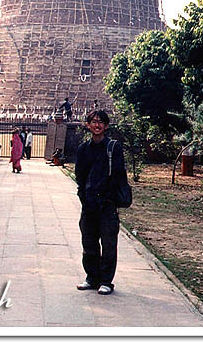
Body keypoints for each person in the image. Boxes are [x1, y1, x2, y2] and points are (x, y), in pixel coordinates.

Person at [75, 110, 125, 296]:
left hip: (107, 204)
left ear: (106, 126)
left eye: (100, 122)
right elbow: (79, 175)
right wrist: (84, 196)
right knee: (89, 243)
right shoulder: (83, 149)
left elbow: (119, 175)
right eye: (93, 122)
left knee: (109, 243)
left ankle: (106, 281)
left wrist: (109, 198)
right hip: (89, 204)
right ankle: (91, 277)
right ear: (88, 125)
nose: (97, 125)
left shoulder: (113, 148)